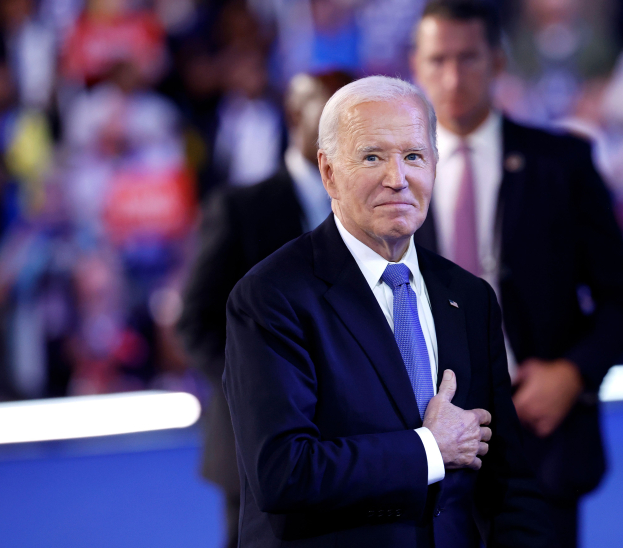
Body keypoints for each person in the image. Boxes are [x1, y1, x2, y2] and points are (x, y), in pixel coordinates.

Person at [223, 75, 553, 547]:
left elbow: (509, 481)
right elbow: (284, 472)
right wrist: (428, 449)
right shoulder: (271, 296)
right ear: (329, 171)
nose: (397, 179)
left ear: (435, 166)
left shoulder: (469, 297)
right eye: (373, 156)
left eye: (414, 156)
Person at [410, 2, 623, 547]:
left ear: (497, 61)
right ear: (415, 67)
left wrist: (573, 374)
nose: (452, 76)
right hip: (422, 443)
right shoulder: (394, 176)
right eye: (437, 59)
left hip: (541, 438)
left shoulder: (562, 163)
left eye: (468, 58)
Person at [178, 70, 353, 548]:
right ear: (297, 114)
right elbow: (196, 321)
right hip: (255, 447)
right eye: (334, 111)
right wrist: (259, 390)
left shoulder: (378, 210)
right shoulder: (239, 208)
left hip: (355, 451)